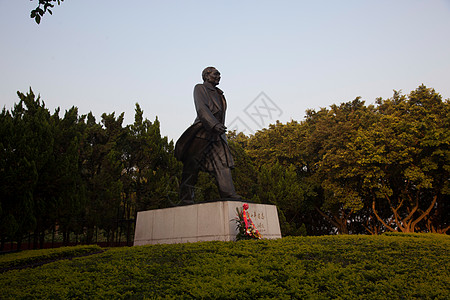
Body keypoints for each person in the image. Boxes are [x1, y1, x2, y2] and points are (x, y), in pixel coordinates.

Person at [175, 67, 240, 204]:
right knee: (191, 167)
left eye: (220, 75)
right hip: (202, 133)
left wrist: (218, 128)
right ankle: (185, 197)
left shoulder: (220, 94)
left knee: (223, 163)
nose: (219, 76)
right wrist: (214, 124)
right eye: (216, 74)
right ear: (206, 75)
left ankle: (228, 193)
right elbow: (201, 109)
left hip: (217, 135)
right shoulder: (200, 88)